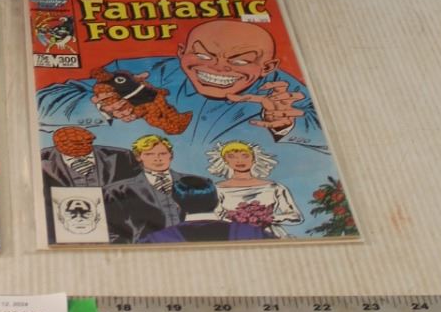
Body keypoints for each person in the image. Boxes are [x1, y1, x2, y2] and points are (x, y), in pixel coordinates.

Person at [36, 15, 328, 212]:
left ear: (267, 67)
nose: (217, 67)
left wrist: (288, 124)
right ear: (181, 52)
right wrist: (101, 105)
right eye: (202, 55)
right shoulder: (141, 72)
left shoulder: (283, 90)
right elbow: (42, 104)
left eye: (240, 61)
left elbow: (331, 133)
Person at [102, 135, 216, 243]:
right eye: (149, 154)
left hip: (193, 247)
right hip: (146, 250)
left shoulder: (200, 183)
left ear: (171, 155)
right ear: (138, 157)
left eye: (163, 153)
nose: (157, 159)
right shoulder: (116, 190)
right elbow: (112, 231)